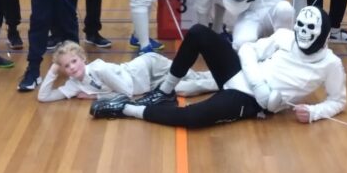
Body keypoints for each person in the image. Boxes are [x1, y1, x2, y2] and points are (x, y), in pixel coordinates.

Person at [89, 6, 346, 128]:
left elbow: (338, 100)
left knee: (192, 118)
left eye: (310, 28)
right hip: (243, 76)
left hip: (250, 101)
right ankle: (164, 91)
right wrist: (259, 83)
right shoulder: (285, 36)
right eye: (301, 26)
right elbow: (247, 50)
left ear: (322, 34)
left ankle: (126, 109)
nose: (303, 32)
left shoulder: (331, 63)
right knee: (198, 32)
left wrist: (314, 112)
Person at [37, 41, 216, 102]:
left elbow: (127, 92)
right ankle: (221, 83)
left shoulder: (100, 69)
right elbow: (44, 97)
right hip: (149, 85)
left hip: (148, 66)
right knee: (184, 89)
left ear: (83, 58)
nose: (72, 67)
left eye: (74, 61)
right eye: (66, 66)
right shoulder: (74, 85)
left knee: (192, 76)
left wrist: (95, 97)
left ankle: (224, 77)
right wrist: (53, 69)